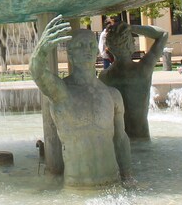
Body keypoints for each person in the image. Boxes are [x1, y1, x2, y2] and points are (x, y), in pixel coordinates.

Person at [30, 15, 132, 188]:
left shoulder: (112, 95)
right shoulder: (61, 92)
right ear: (69, 53)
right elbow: (37, 72)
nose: (87, 49)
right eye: (80, 45)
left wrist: (128, 178)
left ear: (96, 51)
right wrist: (41, 50)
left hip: (113, 186)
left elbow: (121, 140)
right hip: (78, 189)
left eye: (91, 45)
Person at [99, 22, 169, 139]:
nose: (134, 42)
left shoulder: (104, 76)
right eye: (132, 40)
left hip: (117, 140)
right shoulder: (143, 70)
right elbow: (163, 34)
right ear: (128, 46)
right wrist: (132, 27)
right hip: (141, 137)